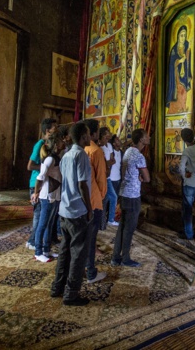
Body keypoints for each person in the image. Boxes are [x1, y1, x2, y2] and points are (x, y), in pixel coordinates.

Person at [51, 122, 93, 306]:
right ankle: (71, 293)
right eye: (89, 134)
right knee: (78, 253)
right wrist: (89, 208)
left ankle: (57, 287)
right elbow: (82, 185)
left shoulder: (67, 155)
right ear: (84, 136)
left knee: (65, 250)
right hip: (77, 210)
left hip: (65, 208)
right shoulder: (81, 155)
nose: (91, 137)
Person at [112, 128, 150, 267]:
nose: (149, 137)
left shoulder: (127, 151)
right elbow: (147, 178)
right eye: (146, 136)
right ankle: (125, 258)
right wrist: (140, 177)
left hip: (124, 192)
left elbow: (124, 173)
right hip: (133, 195)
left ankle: (115, 257)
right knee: (129, 228)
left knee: (122, 226)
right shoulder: (139, 156)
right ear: (141, 140)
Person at [31, 133, 64, 262]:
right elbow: (40, 177)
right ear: (56, 144)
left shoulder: (57, 157)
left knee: (50, 224)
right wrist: (36, 192)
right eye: (61, 141)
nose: (63, 143)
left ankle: (46, 249)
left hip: (55, 194)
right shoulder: (50, 159)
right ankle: (38, 252)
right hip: (47, 196)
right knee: (43, 224)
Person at [83, 119, 107, 284]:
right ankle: (90, 271)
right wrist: (102, 196)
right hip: (94, 198)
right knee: (91, 238)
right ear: (93, 133)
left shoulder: (80, 149)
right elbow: (100, 179)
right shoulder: (96, 151)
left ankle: (82, 267)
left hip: (81, 200)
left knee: (83, 237)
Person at [26, 118, 57, 250]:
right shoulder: (40, 144)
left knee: (45, 214)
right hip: (36, 183)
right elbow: (30, 166)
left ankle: (44, 240)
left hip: (44, 183)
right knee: (39, 214)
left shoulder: (52, 144)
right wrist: (45, 167)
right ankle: (33, 241)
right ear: (47, 130)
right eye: (55, 128)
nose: (57, 130)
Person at [178, 128, 195, 247]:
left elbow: (181, 167)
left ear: (183, 139)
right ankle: (188, 231)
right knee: (189, 207)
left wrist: (184, 176)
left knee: (187, 209)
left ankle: (188, 234)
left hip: (189, 182)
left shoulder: (187, 151)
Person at [166, 25, 192, 114]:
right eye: (181, 35)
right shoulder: (174, 49)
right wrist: (179, 61)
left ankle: (183, 110)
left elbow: (189, 61)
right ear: (177, 36)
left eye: (185, 35)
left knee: (183, 93)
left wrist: (188, 52)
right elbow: (171, 64)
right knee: (178, 92)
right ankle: (175, 111)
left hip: (184, 76)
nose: (183, 38)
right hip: (176, 76)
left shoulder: (187, 47)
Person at [99, 127, 117, 229]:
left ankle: (109, 219)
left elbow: (112, 160)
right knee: (108, 198)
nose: (108, 135)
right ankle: (108, 220)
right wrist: (107, 164)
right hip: (104, 176)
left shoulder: (109, 146)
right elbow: (105, 163)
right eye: (106, 133)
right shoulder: (100, 148)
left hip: (108, 176)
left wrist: (108, 163)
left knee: (110, 197)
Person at [105, 134, 122, 227]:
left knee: (114, 200)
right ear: (114, 144)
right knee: (111, 198)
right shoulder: (111, 153)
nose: (120, 141)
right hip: (111, 179)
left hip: (118, 179)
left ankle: (110, 217)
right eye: (117, 140)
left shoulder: (121, 152)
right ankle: (109, 218)